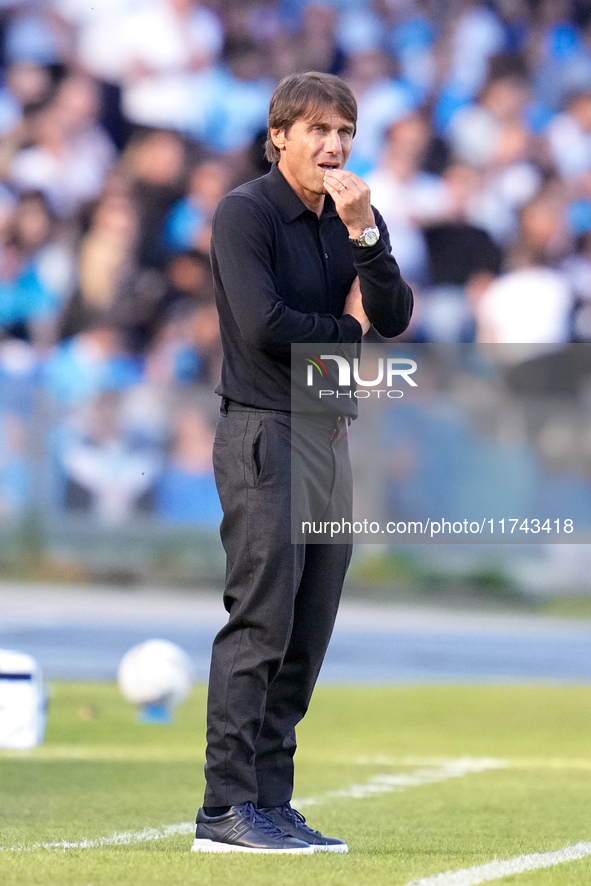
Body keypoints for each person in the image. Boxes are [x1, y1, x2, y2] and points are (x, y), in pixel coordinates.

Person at [192, 71, 413, 855]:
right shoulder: (244, 213)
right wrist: (344, 337)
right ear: (278, 134)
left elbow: (391, 315)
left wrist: (366, 238)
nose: (334, 145)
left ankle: (271, 802)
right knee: (261, 623)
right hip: (264, 432)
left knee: (307, 631)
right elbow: (264, 328)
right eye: (318, 129)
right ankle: (224, 809)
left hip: (324, 431)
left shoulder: (352, 213)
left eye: (345, 131)